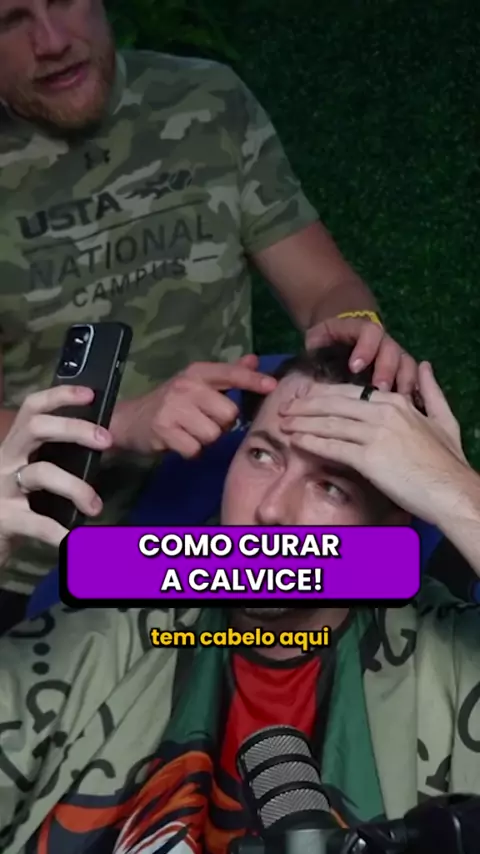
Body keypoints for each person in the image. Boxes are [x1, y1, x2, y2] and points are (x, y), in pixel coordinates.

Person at [0, 0, 418, 604]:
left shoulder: (207, 101)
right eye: (11, 20)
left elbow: (325, 288)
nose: (52, 41)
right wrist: (122, 423)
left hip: (220, 536)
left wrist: (353, 328)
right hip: (42, 559)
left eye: (65, 0)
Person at [0, 345, 479, 854]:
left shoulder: (451, 661)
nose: (271, 510)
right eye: (262, 455)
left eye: (331, 487)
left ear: (391, 526)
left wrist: (460, 496)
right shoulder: (105, 627)